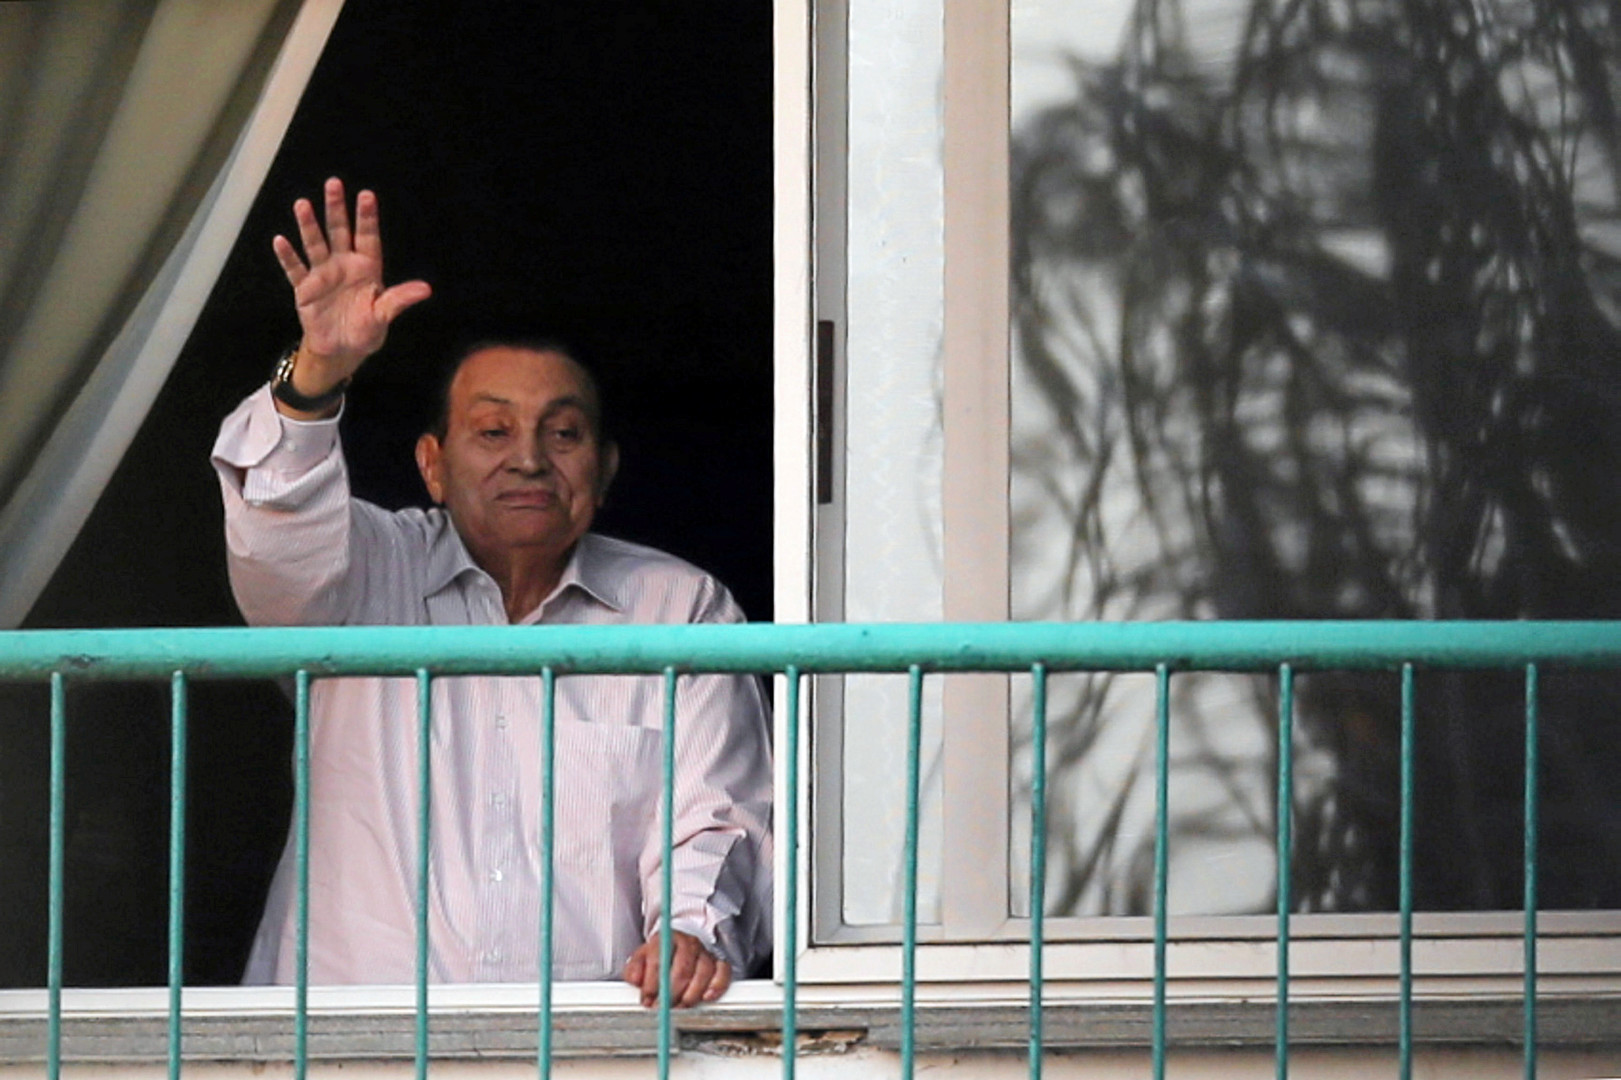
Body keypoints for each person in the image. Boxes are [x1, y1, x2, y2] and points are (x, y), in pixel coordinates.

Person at [210, 178, 772, 1007]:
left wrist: (691, 932)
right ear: (432, 465)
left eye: (563, 432)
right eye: (493, 430)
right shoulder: (364, 569)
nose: (530, 459)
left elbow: (717, 815)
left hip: (592, 1043)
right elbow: (274, 537)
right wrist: (318, 372)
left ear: (604, 470)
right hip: (347, 1038)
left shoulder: (678, 607)